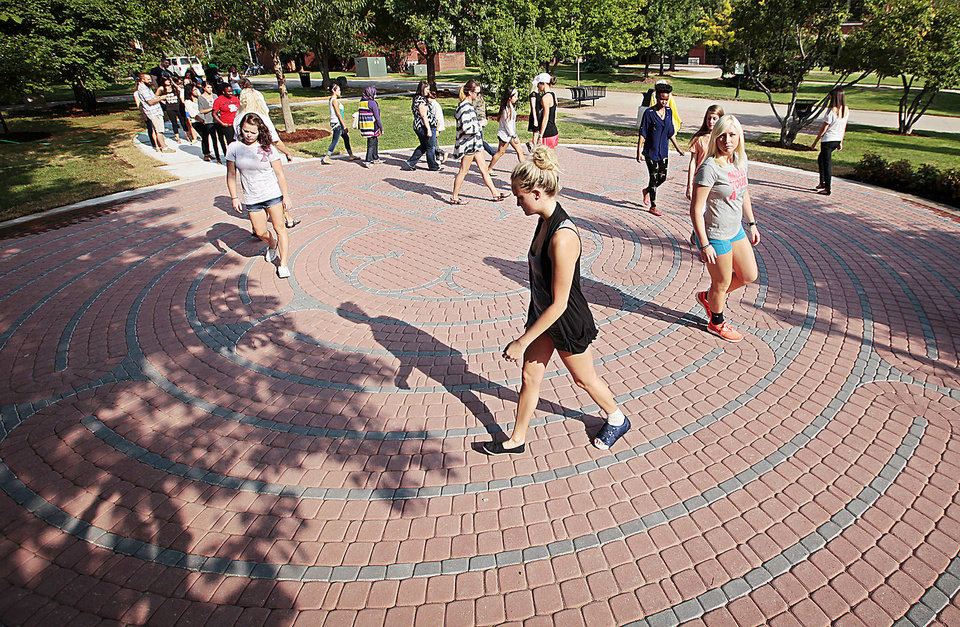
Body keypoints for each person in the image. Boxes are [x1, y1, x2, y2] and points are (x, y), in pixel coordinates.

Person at [481, 147, 631, 455]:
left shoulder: (563, 237)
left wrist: (522, 341)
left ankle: (617, 418)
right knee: (529, 376)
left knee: (583, 379)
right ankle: (517, 439)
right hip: (542, 314)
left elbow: (561, 303)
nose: (516, 201)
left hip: (564, 319)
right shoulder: (543, 220)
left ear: (536, 193)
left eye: (519, 196)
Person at [689, 115, 760, 343]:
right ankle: (716, 322)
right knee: (721, 283)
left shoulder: (740, 160)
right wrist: (704, 243)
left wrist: (752, 223)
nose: (727, 140)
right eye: (721, 135)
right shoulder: (709, 167)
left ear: (739, 136)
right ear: (715, 138)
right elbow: (696, 209)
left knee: (749, 275)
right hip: (716, 234)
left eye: (732, 135)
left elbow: (744, 192)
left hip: (736, 229)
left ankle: (708, 298)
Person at [226, 112, 292, 279]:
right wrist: (234, 197)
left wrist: (286, 196)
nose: (248, 135)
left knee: (280, 228)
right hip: (252, 197)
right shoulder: (234, 148)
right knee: (260, 231)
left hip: (272, 193)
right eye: (245, 131)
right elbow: (231, 175)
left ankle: (283, 264)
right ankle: (272, 244)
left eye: (252, 132)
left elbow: (280, 174)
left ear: (260, 131)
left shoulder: (268, 147)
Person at [450, 79, 508, 205]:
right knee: (463, 171)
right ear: (470, 92)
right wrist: (480, 124)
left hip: (475, 144)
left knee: (484, 169)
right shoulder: (464, 107)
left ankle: (495, 193)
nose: (478, 95)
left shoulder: (469, 105)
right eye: (477, 93)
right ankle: (454, 197)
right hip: (468, 145)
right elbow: (466, 128)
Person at [637, 81, 684, 216]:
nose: (664, 102)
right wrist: (639, 151)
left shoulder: (669, 112)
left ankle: (647, 190)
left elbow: (671, 133)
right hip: (650, 152)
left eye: (666, 99)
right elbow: (643, 133)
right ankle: (653, 205)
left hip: (663, 151)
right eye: (662, 99)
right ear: (656, 97)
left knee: (662, 178)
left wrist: (678, 148)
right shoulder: (649, 113)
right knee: (653, 177)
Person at [237, 78, 295, 164]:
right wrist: (287, 153)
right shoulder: (263, 118)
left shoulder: (238, 118)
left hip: (244, 157)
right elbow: (275, 140)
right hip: (261, 157)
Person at [810, 88, 849, 196]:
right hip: (836, 140)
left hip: (828, 140)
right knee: (821, 159)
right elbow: (843, 127)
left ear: (834, 97)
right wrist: (840, 141)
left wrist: (814, 142)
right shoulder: (845, 110)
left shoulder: (831, 111)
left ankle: (827, 188)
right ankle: (822, 183)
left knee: (827, 164)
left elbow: (824, 129)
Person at [686, 104, 724, 200]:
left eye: (714, 119)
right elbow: (693, 162)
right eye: (709, 118)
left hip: (717, 180)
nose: (711, 122)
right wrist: (689, 185)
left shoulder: (723, 139)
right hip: (701, 179)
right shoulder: (699, 138)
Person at [404, 80, 440, 171]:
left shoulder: (419, 98)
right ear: (422, 89)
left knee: (424, 146)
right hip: (424, 126)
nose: (428, 91)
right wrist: (428, 129)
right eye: (426, 89)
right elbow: (424, 115)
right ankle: (433, 166)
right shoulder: (420, 100)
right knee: (430, 146)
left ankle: (411, 162)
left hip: (420, 126)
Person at [488, 87, 525, 170]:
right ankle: (489, 169)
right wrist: (514, 136)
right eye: (515, 96)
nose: (517, 98)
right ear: (509, 97)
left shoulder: (510, 107)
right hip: (506, 135)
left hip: (511, 134)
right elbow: (508, 125)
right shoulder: (506, 110)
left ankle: (525, 169)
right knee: (500, 152)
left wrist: (513, 135)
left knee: (520, 151)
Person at [135, 73, 172, 153]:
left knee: (155, 130)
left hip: (154, 111)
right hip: (153, 112)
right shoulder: (143, 89)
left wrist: (157, 97)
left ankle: (157, 146)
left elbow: (152, 98)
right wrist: (161, 98)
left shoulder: (146, 87)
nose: (150, 81)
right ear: (142, 79)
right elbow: (150, 102)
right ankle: (164, 147)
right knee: (159, 131)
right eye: (148, 79)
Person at [322, 83, 359, 164]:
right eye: (338, 90)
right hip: (337, 123)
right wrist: (344, 125)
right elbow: (338, 113)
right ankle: (327, 157)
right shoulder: (334, 100)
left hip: (337, 123)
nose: (340, 91)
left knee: (346, 138)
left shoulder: (332, 99)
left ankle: (351, 155)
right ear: (333, 91)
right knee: (335, 140)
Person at [197, 82, 223, 162]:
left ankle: (225, 154)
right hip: (209, 120)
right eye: (208, 87)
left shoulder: (215, 96)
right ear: (204, 88)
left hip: (217, 119)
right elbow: (201, 111)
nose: (210, 89)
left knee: (221, 138)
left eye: (211, 87)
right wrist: (212, 109)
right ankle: (217, 157)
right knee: (213, 139)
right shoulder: (201, 98)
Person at [157, 76, 187, 143]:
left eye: (169, 80)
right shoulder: (162, 88)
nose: (168, 81)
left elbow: (180, 89)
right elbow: (156, 95)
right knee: (174, 123)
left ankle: (188, 136)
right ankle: (178, 138)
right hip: (169, 108)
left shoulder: (174, 87)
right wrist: (161, 100)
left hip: (178, 106)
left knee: (183, 122)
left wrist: (173, 82)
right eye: (166, 80)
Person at [358, 86, 383, 164]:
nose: (375, 95)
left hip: (364, 125)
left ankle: (375, 158)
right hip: (372, 126)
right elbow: (377, 117)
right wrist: (381, 128)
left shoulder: (361, 102)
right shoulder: (372, 103)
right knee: (371, 143)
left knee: (374, 141)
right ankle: (368, 160)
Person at [213, 84, 241, 151]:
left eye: (231, 91)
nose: (231, 93)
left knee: (239, 143)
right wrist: (222, 123)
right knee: (231, 144)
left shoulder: (235, 99)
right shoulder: (219, 100)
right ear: (223, 92)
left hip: (237, 124)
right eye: (228, 91)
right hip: (228, 125)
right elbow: (214, 113)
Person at [535, 73, 559, 149]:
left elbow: (545, 117)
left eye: (538, 84)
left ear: (543, 84)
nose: (537, 86)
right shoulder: (553, 95)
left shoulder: (545, 98)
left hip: (547, 133)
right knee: (551, 157)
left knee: (543, 158)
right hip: (554, 131)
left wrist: (540, 135)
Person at [474, 86, 497, 156]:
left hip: (480, 120)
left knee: (479, 140)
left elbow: (478, 108)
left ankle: (492, 152)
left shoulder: (478, 98)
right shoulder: (478, 98)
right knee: (478, 140)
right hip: (479, 120)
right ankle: (491, 152)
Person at [429, 90, 446, 163]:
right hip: (434, 126)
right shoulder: (432, 105)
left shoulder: (436, 106)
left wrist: (437, 130)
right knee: (434, 143)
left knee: (433, 144)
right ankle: (437, 158)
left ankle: (443, 153)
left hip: (436, 127)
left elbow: (438, 119)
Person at [527, 78, 541, 148]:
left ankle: (534, 146)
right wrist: (535, 119)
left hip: (539, 114)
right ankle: (533, 145)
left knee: (538, 132)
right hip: (535, 114)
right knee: (535, 133)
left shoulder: (538, 93)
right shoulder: (533, 94)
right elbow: (533, 107)